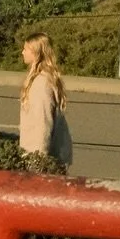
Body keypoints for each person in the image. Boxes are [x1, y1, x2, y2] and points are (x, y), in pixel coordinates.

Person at [19, 34, 73, 167]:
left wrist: (39, 161)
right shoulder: (44, 78)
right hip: (46, 156)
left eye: (26, 49)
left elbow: (42, 123)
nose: (22, 52)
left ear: (36, 53)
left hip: (40, 158)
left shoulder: (41, 83)